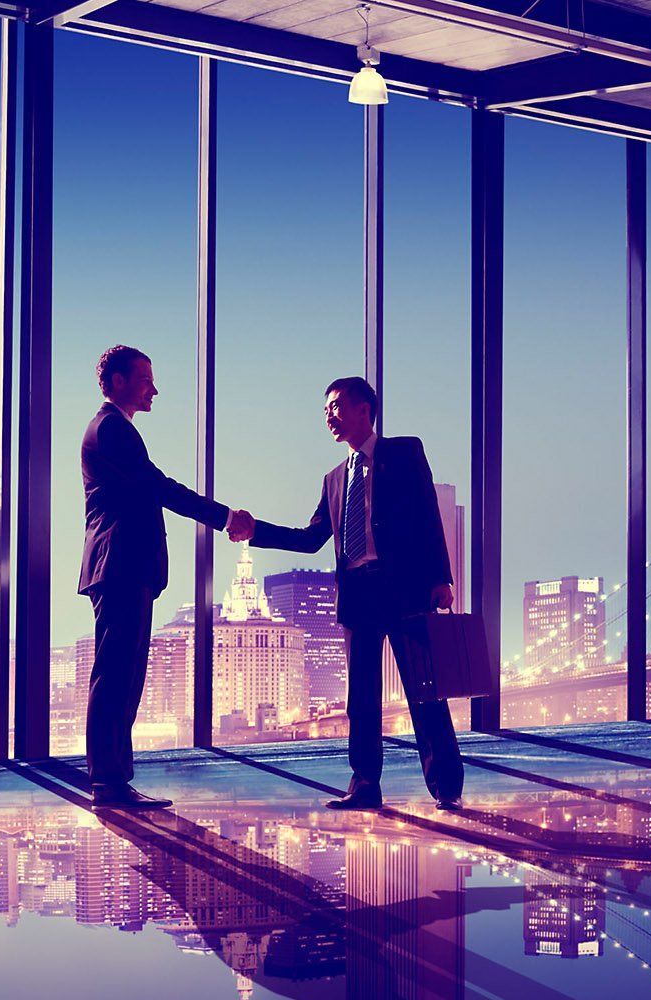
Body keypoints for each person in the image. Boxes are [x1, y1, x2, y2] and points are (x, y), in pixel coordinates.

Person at [234, 377, 463, 811]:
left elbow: (429, 516)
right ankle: (365, 786)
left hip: (406, 589)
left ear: (364, 410)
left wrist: (441, 577)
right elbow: (310, 538)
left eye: (336, 406)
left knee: (424, 690)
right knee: (360, 696)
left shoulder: (405, 452)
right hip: (358, 595)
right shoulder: (334, 478)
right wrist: (255, 531)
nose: (329, 417)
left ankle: (446, 785)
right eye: (325, 411)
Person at [80, 345, 253, 808]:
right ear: (117, 381)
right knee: (116, 675)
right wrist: (224, 517)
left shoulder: (116, 429)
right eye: (145, 379)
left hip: (125, 568)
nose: (154, 389)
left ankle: (114, 779)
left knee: (125, 673)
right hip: (119, 567)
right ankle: (107, 782)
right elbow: (159, 488)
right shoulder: (112, 429)